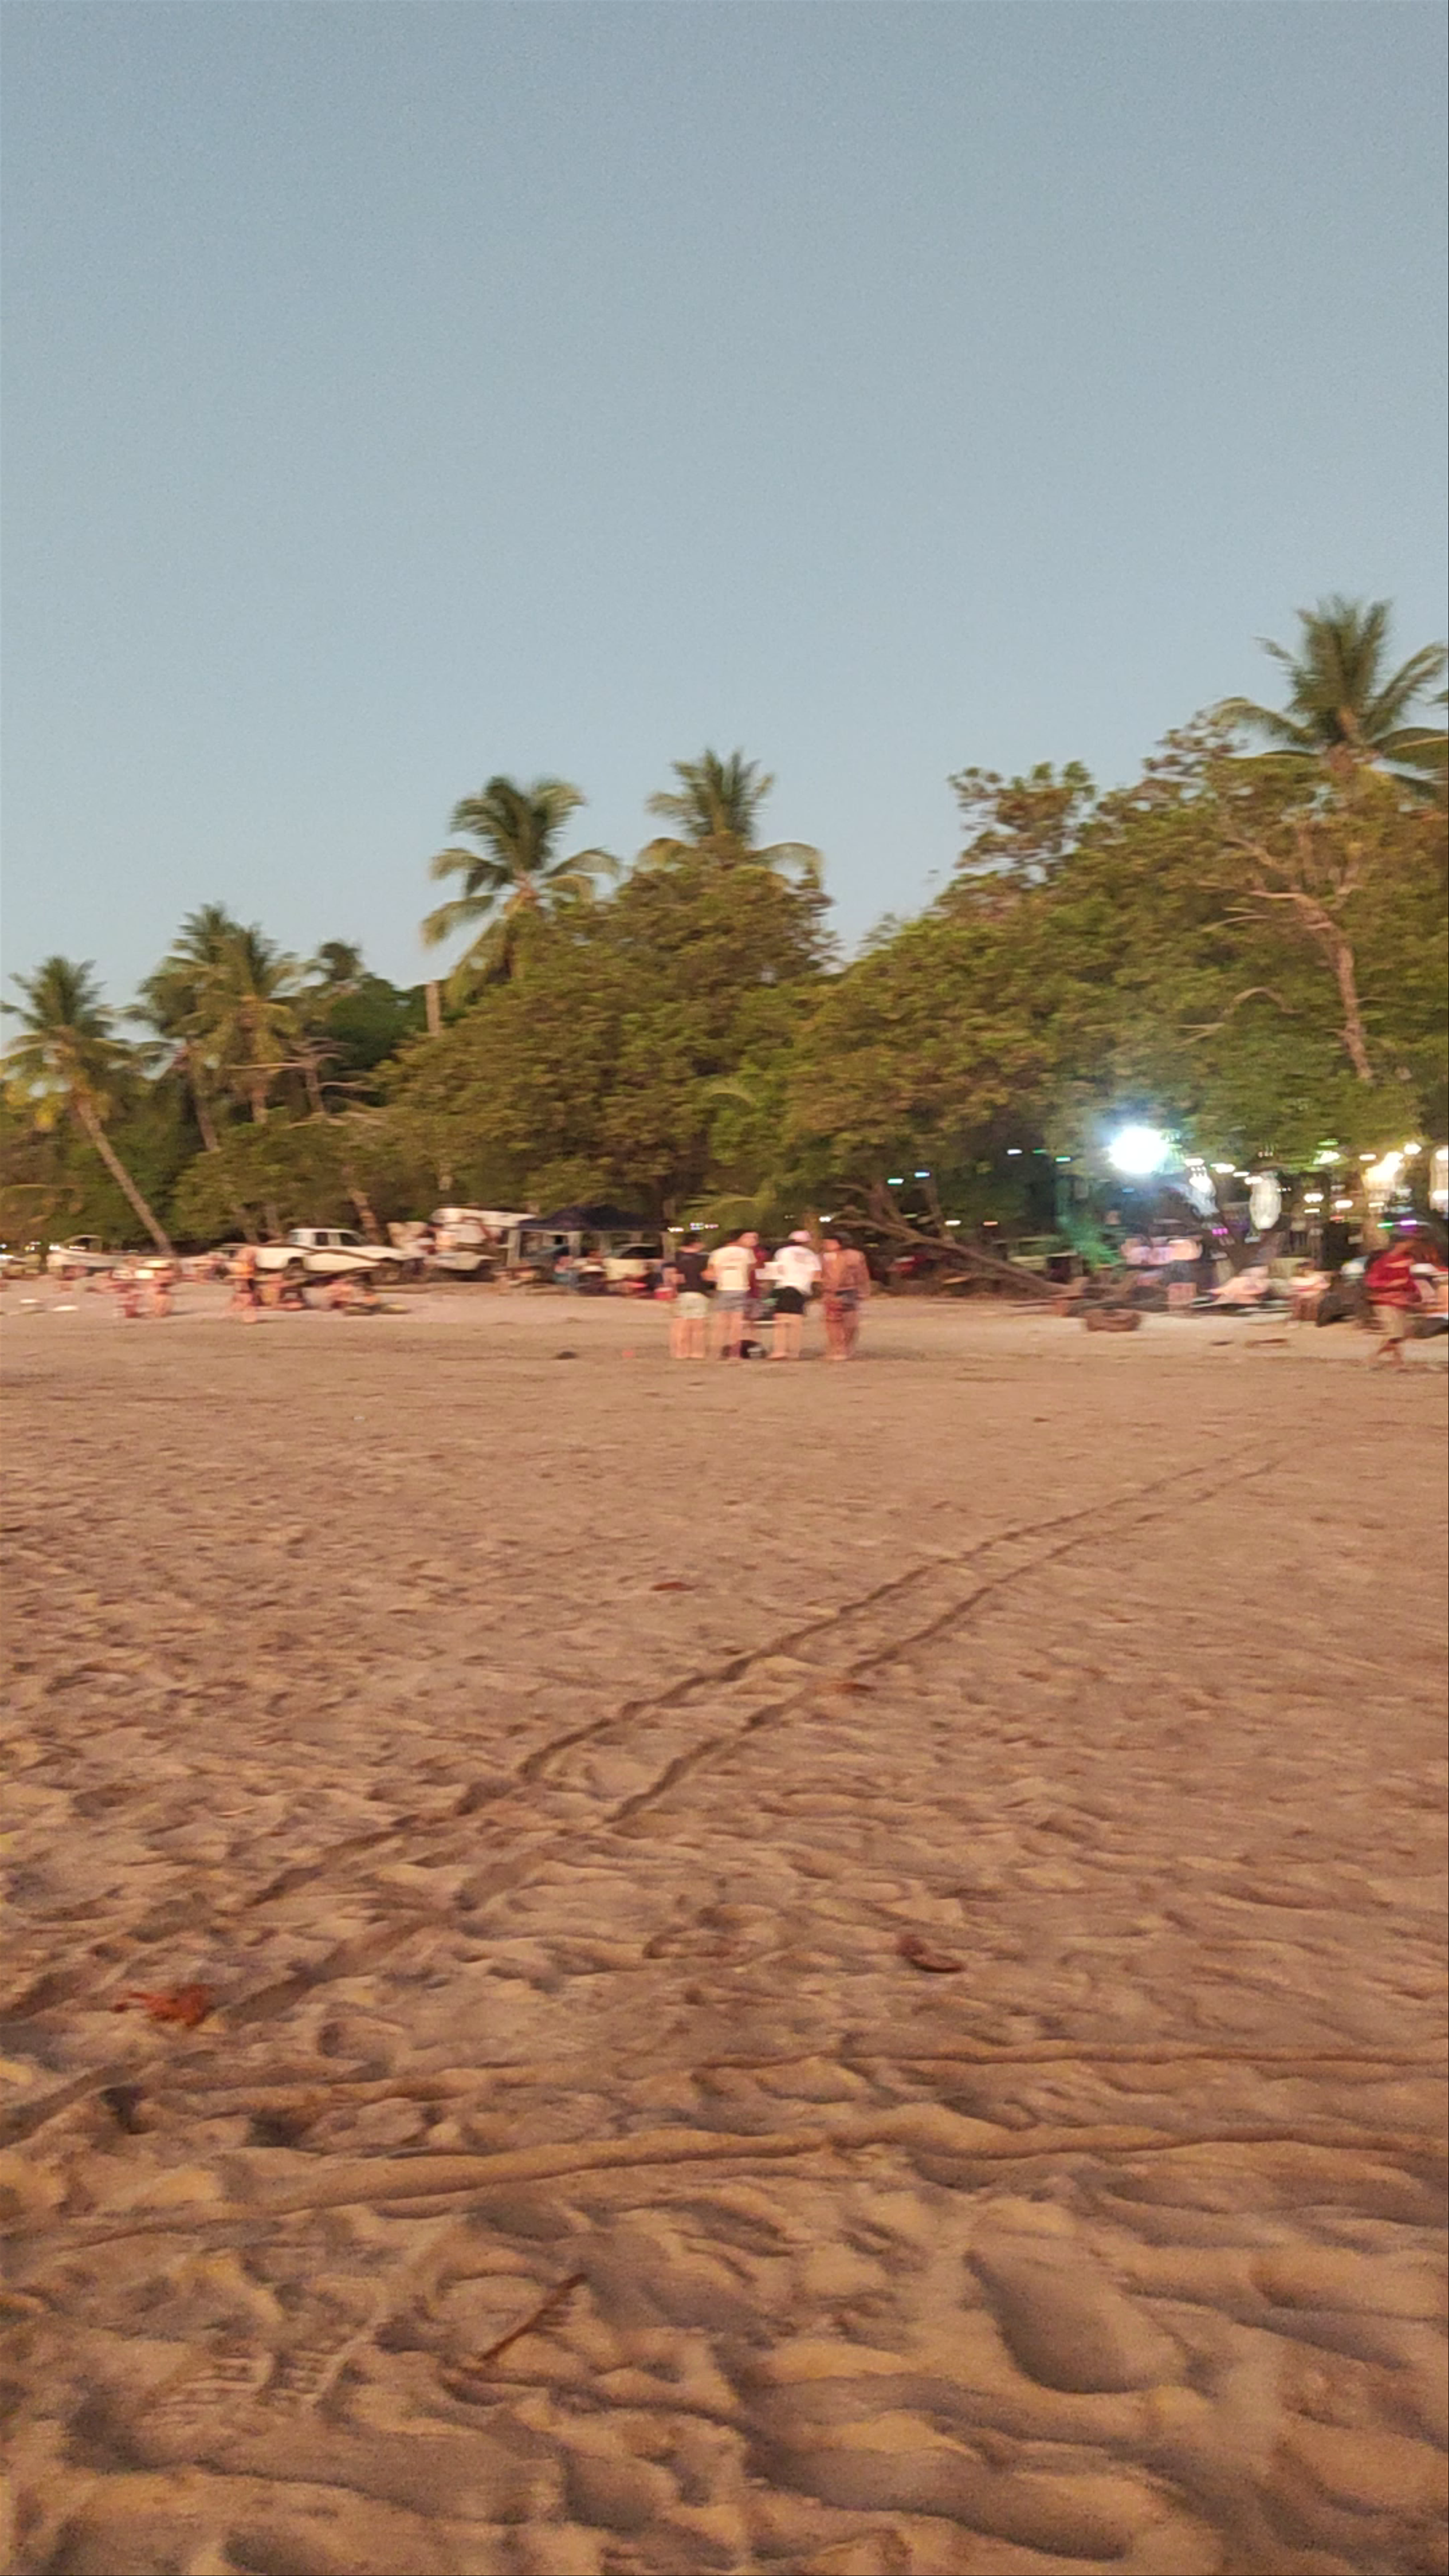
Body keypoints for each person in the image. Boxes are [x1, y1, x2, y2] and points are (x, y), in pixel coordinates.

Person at [1364, 1234, 1430, 1367]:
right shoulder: (1383, 1262)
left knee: (1401, 1333)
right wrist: (1393, 1284)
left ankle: (1396, 1361)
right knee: (1395, 1334)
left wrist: (1416, 1296)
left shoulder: (1407, 1260)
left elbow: (1410, 1281)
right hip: (1385, 1302)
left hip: (1401, 1302)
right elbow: (1372, 1282)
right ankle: (1375, 1358)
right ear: (1399, 1244)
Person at [766, 1229, 822, 1360]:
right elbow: (817, 1276)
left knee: (781, 1321)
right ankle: (794, 1352)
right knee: (796, 1322)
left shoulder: (783, 1252)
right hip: (801, 1289)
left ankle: (780, 1350)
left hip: (783, 1286)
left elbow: (776, 1270)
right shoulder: (811, 1255)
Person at [705, 1230, 755, 1358]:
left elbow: (711, 1273)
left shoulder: (717, 1253)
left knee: (721, 1323)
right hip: (740, 1288)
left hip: (723, 1288)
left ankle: (715, 1352)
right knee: (736, 1323)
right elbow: (751, 1269)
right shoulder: (747, 1253)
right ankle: (735, 1353)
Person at [821, 1232, 871, 1358]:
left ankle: (842, 1348)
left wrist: (864, 1290)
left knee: (842, 1322)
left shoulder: (845, 1256)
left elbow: (860, 1275)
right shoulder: (855, 1255)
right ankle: (842, 1348)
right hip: (841, 1290)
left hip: (843, 1290)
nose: (826, 1245)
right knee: (841, 1321)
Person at [667, 1232, 711, 1361]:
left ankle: (679, 1352)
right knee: (698, 1326)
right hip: (698, 1292)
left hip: (682, 1294)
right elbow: (707, 1276)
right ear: (696, 1243)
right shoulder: (703, 1259)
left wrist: (672, 1292)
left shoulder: (676, 1257)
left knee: (680, 1324)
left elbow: (672, 1277)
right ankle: (697, 1352)